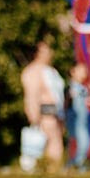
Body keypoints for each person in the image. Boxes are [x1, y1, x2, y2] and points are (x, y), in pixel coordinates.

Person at [20, 38, 66, 168]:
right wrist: (34, 116)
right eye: (46, 51)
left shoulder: (50, 71)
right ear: (37, 53)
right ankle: (48, 171)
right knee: (49, 143)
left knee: (55, 142)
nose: (50, 53)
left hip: (56, 112)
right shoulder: (32, 71)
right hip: (43, 112)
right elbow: (32, 96)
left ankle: (52, 171)